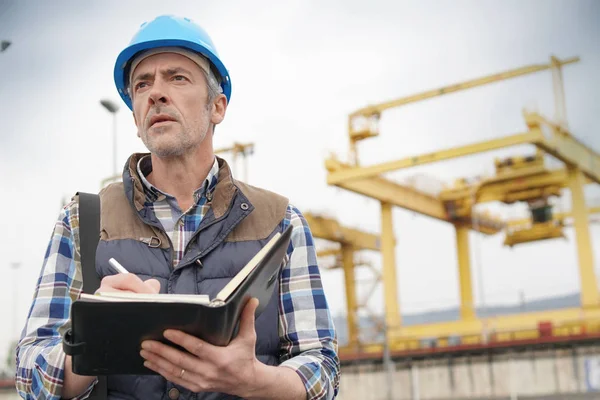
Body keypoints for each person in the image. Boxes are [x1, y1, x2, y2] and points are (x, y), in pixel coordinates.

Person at [15, 14, 340, 400]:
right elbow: (28, 374)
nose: (156, 93)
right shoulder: (82, 221)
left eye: (177, 77)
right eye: (142, 84)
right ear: (136, 117)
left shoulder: (281, 222)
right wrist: (93, 339)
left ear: (217, 107)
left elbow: (322, 368)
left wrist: (256, 381)